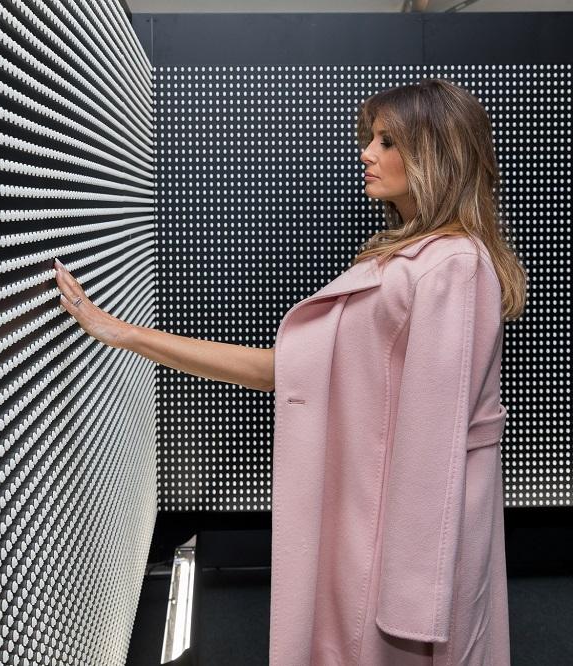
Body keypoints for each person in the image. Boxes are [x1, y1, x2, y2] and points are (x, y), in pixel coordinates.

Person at [53, 78, 527, 664]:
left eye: (387, 141)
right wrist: (118, 332)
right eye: (370, 138)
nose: (366, 153)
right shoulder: (414, 260)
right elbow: (280, 370)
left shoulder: (452, 266)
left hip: (404, 536)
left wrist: (410, 595)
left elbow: (435, 441)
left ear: (435, 153)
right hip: (370, 515)